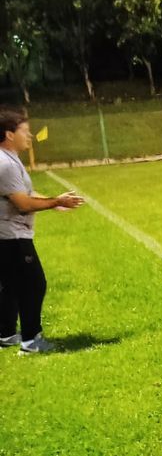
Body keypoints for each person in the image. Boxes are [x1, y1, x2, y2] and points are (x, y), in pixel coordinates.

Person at [0, 109, 85, 354]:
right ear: (9, 134)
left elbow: (23, 194)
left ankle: (6, 334)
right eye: (25, 131)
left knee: (10, 285)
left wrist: (54, 201)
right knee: (33, 284)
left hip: (7, 235)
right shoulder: (6, 164)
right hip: (12, 236)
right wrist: (55, 201)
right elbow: (23, 204)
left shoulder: (9, 159)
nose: (30, 136)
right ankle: (31, 341)